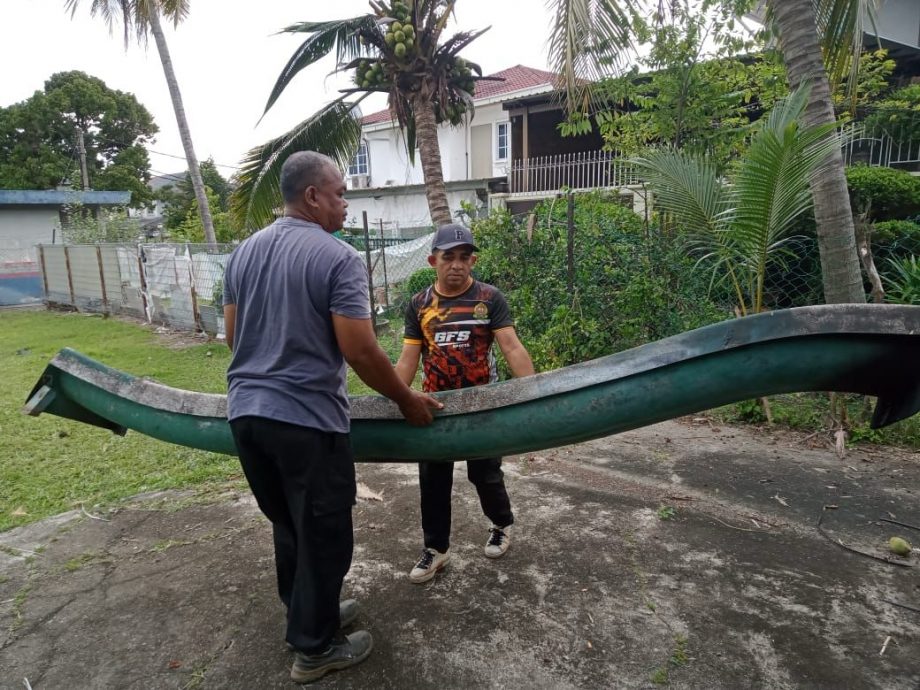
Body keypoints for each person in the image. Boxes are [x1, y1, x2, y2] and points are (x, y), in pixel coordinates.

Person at [221, 151, 442, 683]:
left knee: (289, 524)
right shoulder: (338, 257)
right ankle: (315, 649)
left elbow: (233, 338)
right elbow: (361, 351)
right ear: (314, 196)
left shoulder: (243, 254)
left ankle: (307, 615)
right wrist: (406, 401)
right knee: (323, 532)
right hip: (305, 420)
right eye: (340, 193)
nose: (346, 203)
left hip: (246, 415)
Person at [395, 223, 535, 584]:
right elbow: (409, 358)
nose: (456, 265)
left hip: (482, 403)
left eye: (463, 257)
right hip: (435, 407)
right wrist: (398, 397)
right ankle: (436, 550)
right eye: (448, 257)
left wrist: (534, 394)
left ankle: (501, 525)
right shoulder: (419, 304)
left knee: (485, 473)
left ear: (472, 260)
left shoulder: (489, 298)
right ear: (432, 260)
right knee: (433, 478)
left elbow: (511, 346)